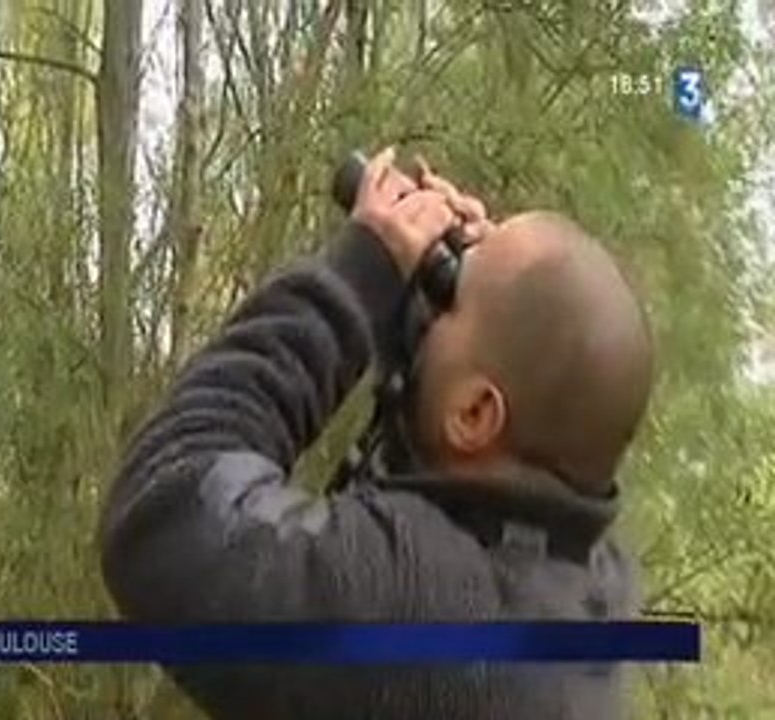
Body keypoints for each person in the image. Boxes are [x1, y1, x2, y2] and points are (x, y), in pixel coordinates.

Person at [98, 147, 654, 720]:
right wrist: (476, 306)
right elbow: (447, 482)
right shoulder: (581, 587)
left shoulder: (425, 615)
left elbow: (166, 507)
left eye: (448, 299)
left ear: (474, 416)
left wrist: (357, 282)